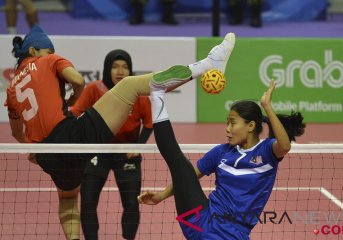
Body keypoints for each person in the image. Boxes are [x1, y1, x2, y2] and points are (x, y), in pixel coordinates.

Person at [5, 24, 236, 240]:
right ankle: (207, 64)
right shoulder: (50, 61)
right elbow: (77, 80)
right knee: (130, 86)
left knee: (67, 201)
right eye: (48, 50)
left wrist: (37, 148)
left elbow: (17, 135)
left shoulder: (12, 87)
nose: (51, 52)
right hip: (70, 135)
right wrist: (73, 96)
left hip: (48, 155)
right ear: (34, 50)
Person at [138, 80, 305, 238]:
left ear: (251, 126)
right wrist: (161, 196)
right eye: (227, 123)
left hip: (232, 234)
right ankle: (157, 94)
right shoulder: (220, 152)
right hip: (199, 221)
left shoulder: (267, 151)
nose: (227, 129)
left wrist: (267, 106)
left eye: (232, 123)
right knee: (177, 160)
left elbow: (284, 146)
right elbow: (186, 179)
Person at [70, 49, 153, 240]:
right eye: (115, 66)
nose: (120, 71)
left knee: (132, 204)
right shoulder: (94, 89)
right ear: (107, 69)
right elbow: (75, 114)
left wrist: (138, 146)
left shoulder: (139, 93)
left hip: (127, 152)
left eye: (125, 67)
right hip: (97, 151)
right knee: (88, 203)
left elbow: (149, 124)